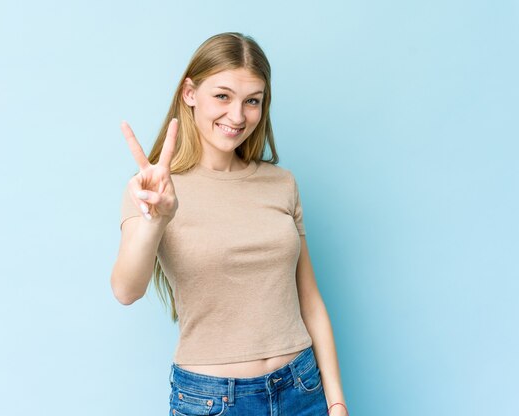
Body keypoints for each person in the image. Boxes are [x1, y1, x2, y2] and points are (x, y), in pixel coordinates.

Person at [110, 32, 348, 416]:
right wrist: (157, 220)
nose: (237, 116)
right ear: (190, 93)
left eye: (252, 101)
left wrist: (335, 401)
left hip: (302, 389)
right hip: (211, 400)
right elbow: (125, 290)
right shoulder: (154, 188)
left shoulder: (281, 184)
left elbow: (310, 300)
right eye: (222, 96)